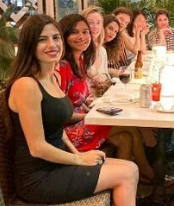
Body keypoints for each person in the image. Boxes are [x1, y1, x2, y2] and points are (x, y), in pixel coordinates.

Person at [6, 14, 138, 206]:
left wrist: (78, 154)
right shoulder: (26, 85)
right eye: (42, 40)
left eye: (55, 37)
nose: (52, 44)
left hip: (57, 164)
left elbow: (59, 129)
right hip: (38, 178)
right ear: (29, 44)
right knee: (126, 173)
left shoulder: (49, 79)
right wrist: (79, 159)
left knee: (130, 168)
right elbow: (37, 147)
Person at [58, 14, 154, 181]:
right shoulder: (62, 67)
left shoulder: (80, 61)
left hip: (84, 118)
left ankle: (124, 184)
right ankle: (151, 175)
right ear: (64, 35)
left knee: (125, 139)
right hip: (69, 130)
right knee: (130, 127)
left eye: (85, 32)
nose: (81, 37)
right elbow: (62, 113)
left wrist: (94, 109)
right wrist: (92, 115)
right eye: (74, 32)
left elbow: (82, 98)